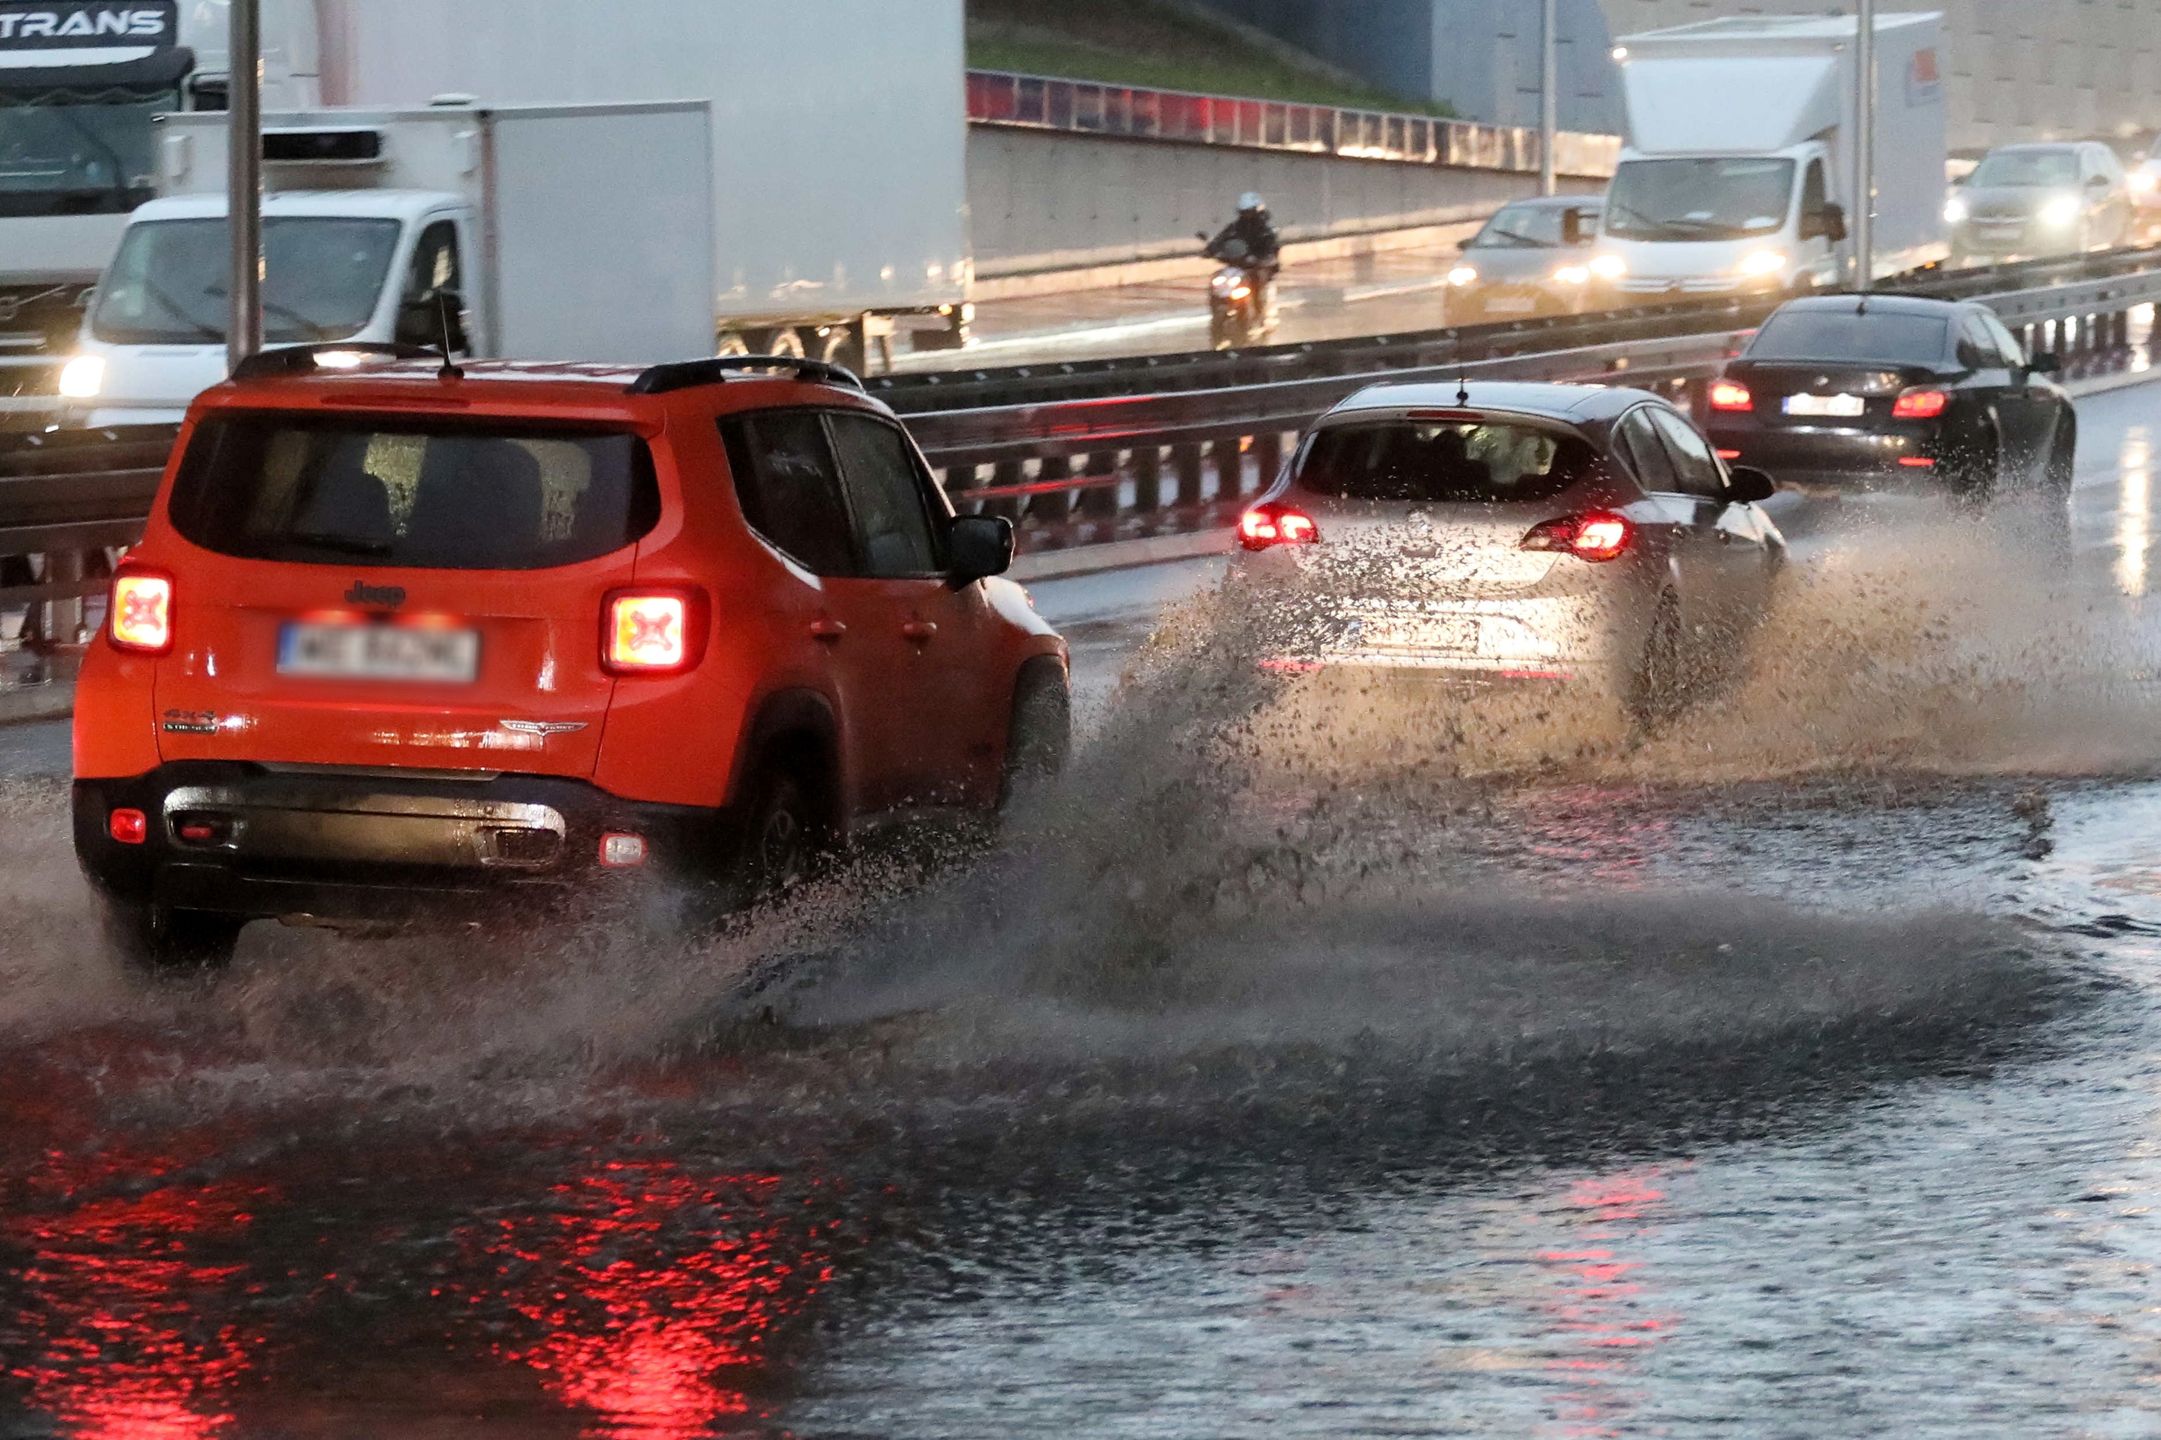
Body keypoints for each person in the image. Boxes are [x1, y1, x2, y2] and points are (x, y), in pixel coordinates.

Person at [1203, 193, 1281, 327]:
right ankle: (1217, 305)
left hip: (1257, 267)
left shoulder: (1266, 231)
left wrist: (1260, 258)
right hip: (1236, 265)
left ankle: (1260, 314)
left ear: (1257, 211)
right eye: (1244, 212)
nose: (1246, 215)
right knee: (1217, 279)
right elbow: (1221, 239)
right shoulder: (1234, 228)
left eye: (1249, 212)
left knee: (1258, 281)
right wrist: (1210, 249)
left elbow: (1271, 249)